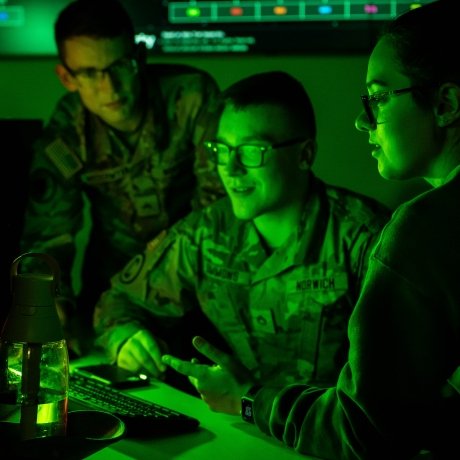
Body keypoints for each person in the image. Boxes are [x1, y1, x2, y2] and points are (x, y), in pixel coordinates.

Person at [168, 2, 460, 459]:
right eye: (222, 151)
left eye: (379, 97)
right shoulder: (205, 230)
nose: (363, 120)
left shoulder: (413, 232)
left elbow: (361, 432)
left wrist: (249, 399)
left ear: (445, 103)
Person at [93, 70, 390, 398]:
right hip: (245, 432)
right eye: (220, 149)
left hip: (333, 437)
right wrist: (126, 336)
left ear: (304, 155)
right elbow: (119, 299)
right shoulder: (207, 232)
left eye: (252, 151)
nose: (230, 170)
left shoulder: (366, 239)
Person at [19, 0, 224, 356]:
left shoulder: (191, 97)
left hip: (200, 288)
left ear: (140, 58)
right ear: (67, 77)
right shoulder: (66, 133)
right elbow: (49, 234)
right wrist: (50, 303)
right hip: (113, 296)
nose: (109, 87)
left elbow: (218, 212)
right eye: (89, 73)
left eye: (119, 66)